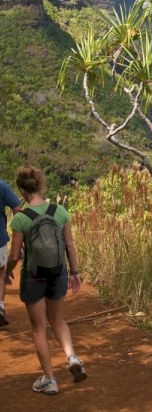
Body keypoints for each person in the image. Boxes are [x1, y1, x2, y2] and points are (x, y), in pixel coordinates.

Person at [6, 166, 87, 395]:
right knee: (58, 320)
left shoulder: (21, 218)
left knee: (39, 328)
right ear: (40, 185)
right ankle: (71, 356)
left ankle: (50, 380)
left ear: (21, 189)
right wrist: (74, 272)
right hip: (58, 272)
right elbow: (70, 245)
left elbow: (14, 255)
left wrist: (7, 273)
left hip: (33, 276)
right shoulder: (59, 211)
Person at [0, 178, 21, 326]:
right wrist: (19, 234)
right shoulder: (2, 185)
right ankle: (0, 307)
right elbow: (17, 209)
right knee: (0, 274)